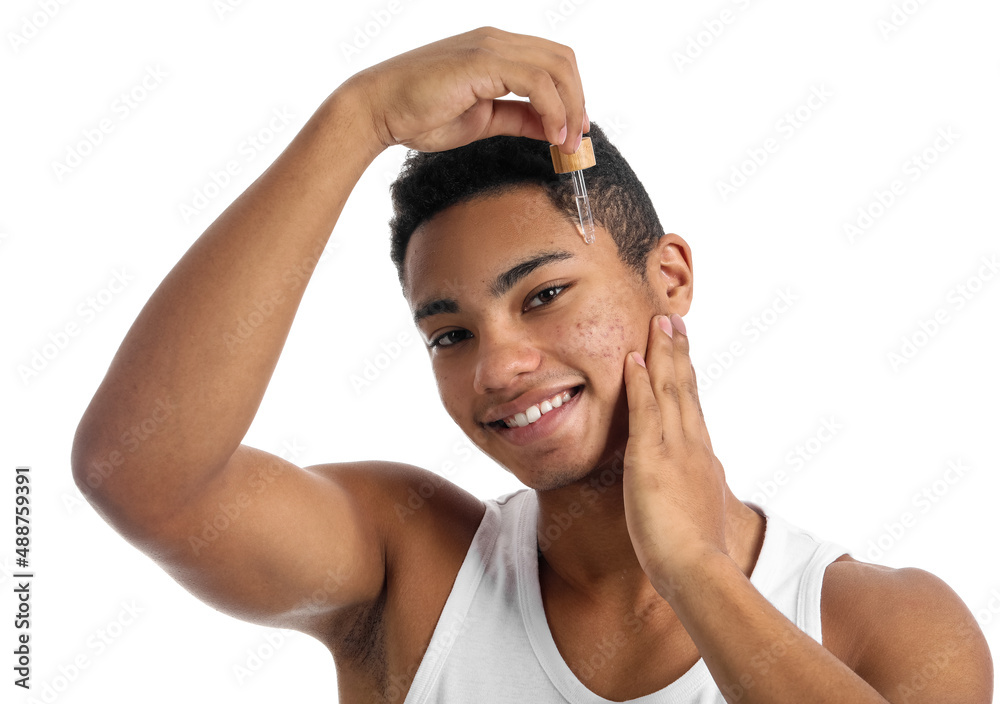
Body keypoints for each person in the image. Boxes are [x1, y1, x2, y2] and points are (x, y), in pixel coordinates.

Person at [71, 27, 992, 703]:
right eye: (449, 334)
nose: (499, 365)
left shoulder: (887, 625)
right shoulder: (414, 572)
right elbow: (141, 473)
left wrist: (696, 574)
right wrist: (360, 118)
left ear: (667, 277)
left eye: (544, 294)